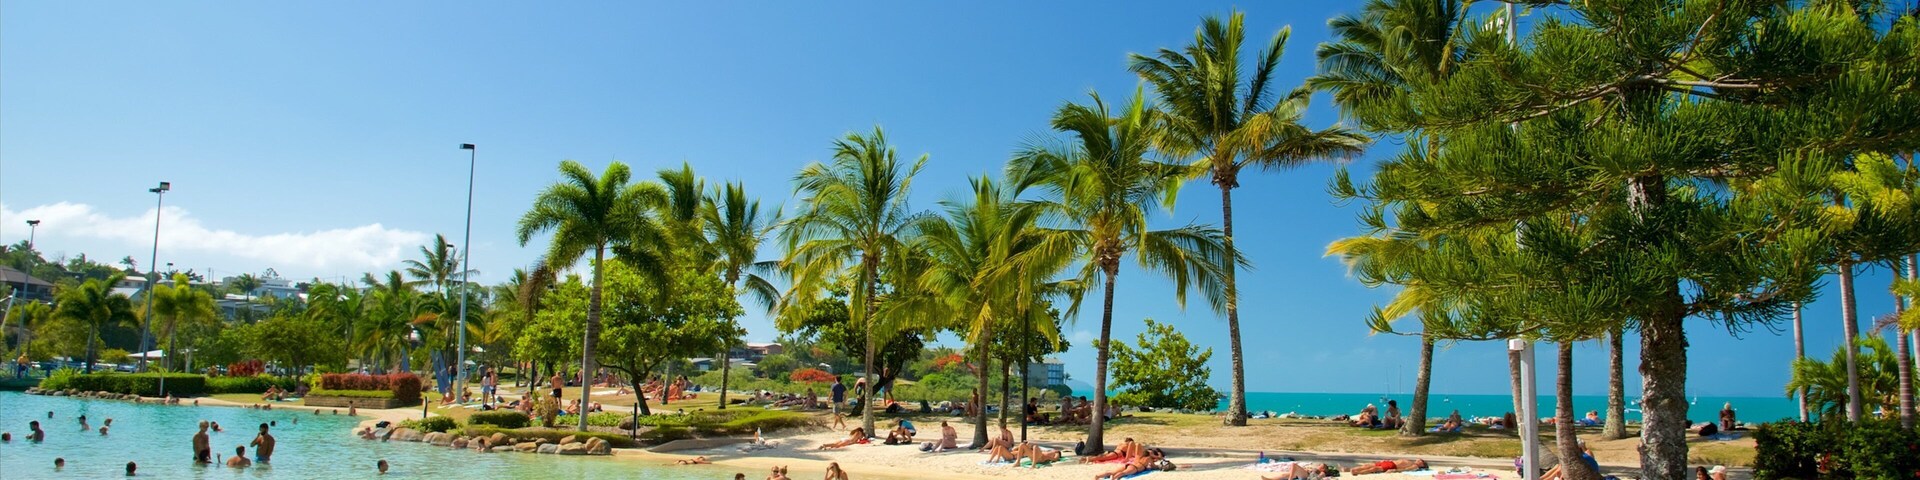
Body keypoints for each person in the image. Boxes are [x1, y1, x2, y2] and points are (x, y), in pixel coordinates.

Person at [1096, 448, 1163, 479]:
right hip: (1135, 468)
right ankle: (1113, 478)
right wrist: (1159, 466)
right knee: (1123, 473)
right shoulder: (1149, 459)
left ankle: (1097, 476)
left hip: (1129, 465)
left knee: (1112, 472)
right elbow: (1154, 466)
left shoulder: (1140, 456)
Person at [1349, 459, 1427, 475]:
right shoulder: (1411, 461)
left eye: (1421, 461)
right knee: (1368, 465)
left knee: (1374, 469)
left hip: (1392, 465)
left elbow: (1405, 469)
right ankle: (1353, 469)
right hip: (1389, 462)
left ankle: (1357, 472)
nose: (1418, 460)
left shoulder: (1414, 466)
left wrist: (1394, 470)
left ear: (1422, 465)